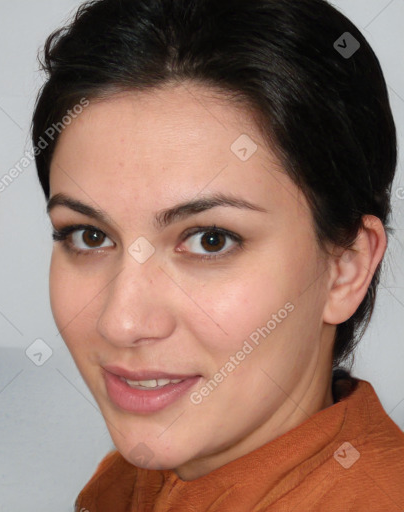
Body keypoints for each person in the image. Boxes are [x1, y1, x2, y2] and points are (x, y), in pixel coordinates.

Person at [30, 0, 404, 509]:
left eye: (210, 240)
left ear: (345, 268)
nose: (121, 322)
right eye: (89, 236)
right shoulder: (126, 487)